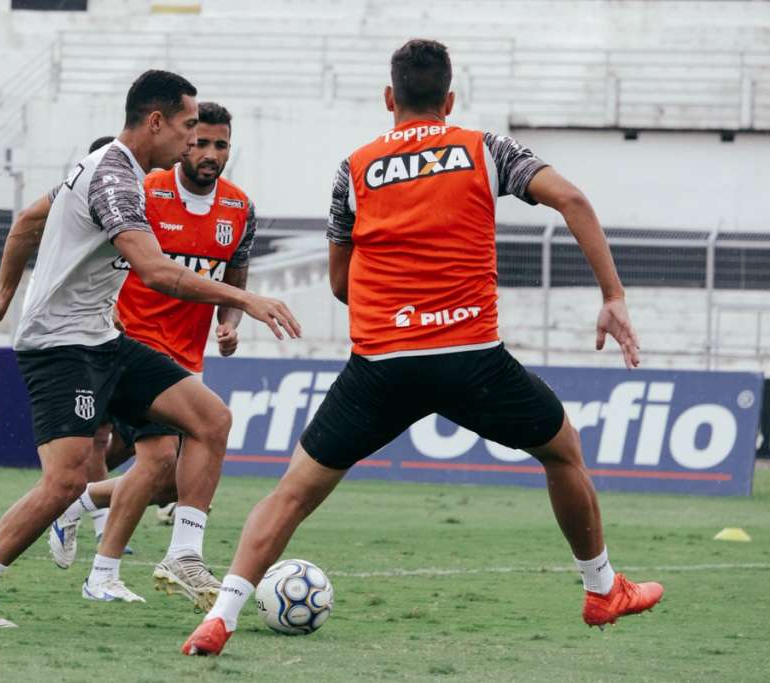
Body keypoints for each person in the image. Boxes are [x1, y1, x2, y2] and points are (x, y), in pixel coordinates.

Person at [182, 39, 663, 656]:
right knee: (563, 451)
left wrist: (400, 310)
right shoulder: (485, 149)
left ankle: (220, 617)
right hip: (471, 358)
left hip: (381, 365)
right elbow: (571, 199)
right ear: (449, 99)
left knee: (293, 492)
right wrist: (613, 295)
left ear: (390, 98)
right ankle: (601, 589)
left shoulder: (353, 167)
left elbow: (338, 283)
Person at [0, 69, 300, 628]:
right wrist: (245, 300)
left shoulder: (112, 167)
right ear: (155, 122)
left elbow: (30, 219)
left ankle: (183, 556)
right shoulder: (116, 178)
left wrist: (6, 291)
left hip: (103, 336)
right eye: (185, 127)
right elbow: (154, 271)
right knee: (66, 482)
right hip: (60, 345)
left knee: (210, 419)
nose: (190, 141)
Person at [48, 101, 258, 609]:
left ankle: (73, 501)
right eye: (201, 142)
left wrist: (229, 326)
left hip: (185, 358)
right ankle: (108, 571)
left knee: (163, 480)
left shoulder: (240, 210)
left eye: (221, 144)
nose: (210, 154)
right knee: (160, 455)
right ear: (184, 142)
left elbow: (235, 280)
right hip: (134, 345)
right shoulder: (144, 192)